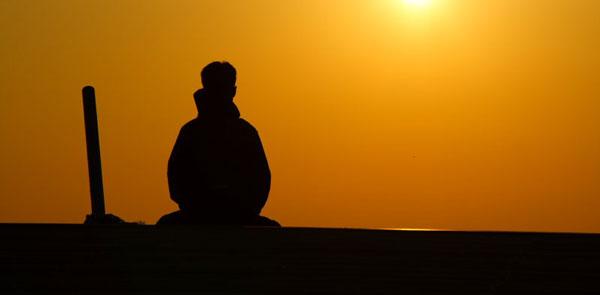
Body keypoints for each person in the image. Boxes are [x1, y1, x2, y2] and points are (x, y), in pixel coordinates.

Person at [157, 61, 279, 226]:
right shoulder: (193, 132)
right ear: (233, 91)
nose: (219, 92)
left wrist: (240, 207)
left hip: (236, 215)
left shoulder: (243, 133)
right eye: (216, 86)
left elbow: (261, 182)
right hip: (200, 215)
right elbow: (177, 180)